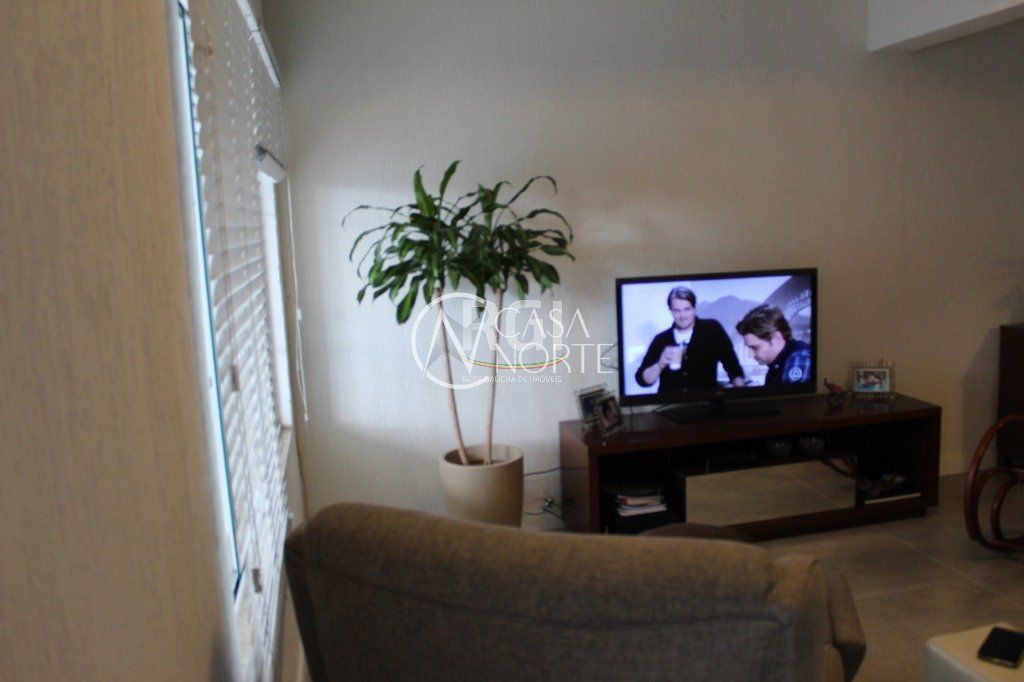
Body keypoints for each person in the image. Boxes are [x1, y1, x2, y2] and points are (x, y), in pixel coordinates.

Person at [635, 286, 745, 393]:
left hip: (705, 402)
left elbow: (733, 367)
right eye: (677, 311)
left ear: (694, 308)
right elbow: (642, 380)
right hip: (669, 403)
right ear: (670, 310)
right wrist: (660, 364)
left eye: (687, 309)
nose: (682, 316)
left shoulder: (712, 329)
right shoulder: (661, 339)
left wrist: (744, 396)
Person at [735, 304, 812, 384]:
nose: (751, 354)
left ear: (777, 338)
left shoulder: (799, 358)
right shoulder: (776, 365)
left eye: (755, 347)